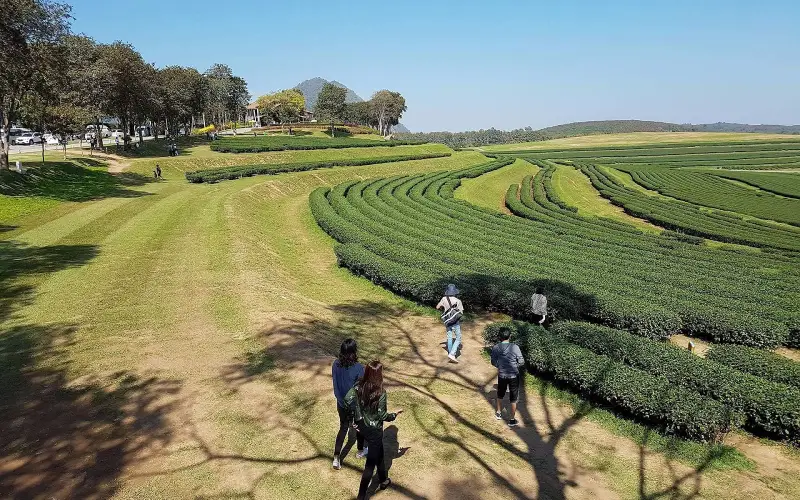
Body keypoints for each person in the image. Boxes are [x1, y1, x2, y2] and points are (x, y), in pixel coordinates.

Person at [344, 360, 402, 499]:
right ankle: (361, 496)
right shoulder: (381, 392)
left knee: (379, 453)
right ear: (379, 375)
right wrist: (394, 415)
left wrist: (355, 416)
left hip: (362, 427)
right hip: (374, 431)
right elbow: (382, 415)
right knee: (369, 467)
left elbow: (347, 400)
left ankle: (383, 480)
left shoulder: (358, 385)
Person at [332, 339, 365, 470]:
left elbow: (335, 384)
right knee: (359, 426)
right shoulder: (358, 368)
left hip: (340, 403)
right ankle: (361, 450)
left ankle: (336, 458)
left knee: (343, 428)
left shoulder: (335, 364)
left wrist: (340, 399)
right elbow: (360, 388)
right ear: (354, 352)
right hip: (354, 404)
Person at [491, 325, 525, 427]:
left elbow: (493, 361)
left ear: (499, 337)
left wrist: (499, 366)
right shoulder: (515, 347)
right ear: (510, 336)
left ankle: (498, 413)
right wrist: (516, 366)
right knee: (513, 397)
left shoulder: (496, 347)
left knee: (500, 394)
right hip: (514, 375)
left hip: (502, 375)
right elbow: (521, 361)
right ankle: (512, 419)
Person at [436, 284, 464, 363]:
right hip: (455, 322)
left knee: (449, 336)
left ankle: (449, 353)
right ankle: (452, 354)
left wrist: (445, 309)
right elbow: (461, 312)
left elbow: (437, 307)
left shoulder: (444, 299)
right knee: (458, 337)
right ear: (454, 292)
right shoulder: (458, 301)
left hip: (447, 321)